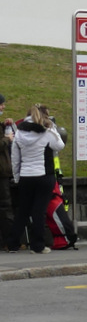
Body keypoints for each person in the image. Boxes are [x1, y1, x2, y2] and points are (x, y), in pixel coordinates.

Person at [7, 104, 64, 255]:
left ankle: (12, 244)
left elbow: (15, 159)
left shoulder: (19, 133)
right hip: (44, 176)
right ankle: (37, 245)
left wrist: (17, 177)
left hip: (26, 176)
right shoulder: (47, 132)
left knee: (23, 211)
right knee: (39, 211)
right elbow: (60, 145)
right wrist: (53, 128)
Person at [0, 94, 15, 251]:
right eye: (1, 104)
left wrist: (4, 125)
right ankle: (9, 241)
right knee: (5, 207)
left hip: (3, 172)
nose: (3, 107)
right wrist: (7, 139)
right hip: (1, 173)